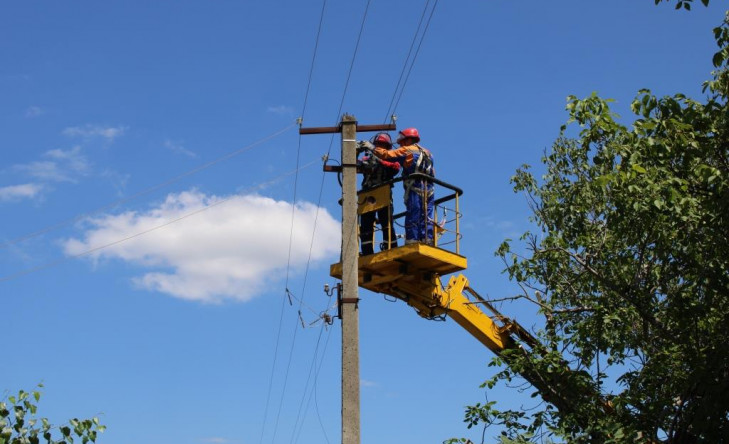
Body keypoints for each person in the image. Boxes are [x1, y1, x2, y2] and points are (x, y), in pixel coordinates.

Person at [373, 127, 435, 244]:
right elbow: (433, 171)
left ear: (407, 140)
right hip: (430, 189)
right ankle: (428, 239)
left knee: (414, 212)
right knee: (427, 214)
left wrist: (371, 148)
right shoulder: (428, 153)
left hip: (415, 187)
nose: (400, 145)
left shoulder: (407, 150)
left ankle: (412, 240)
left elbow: (386, 155)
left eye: (401, 142)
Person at [357, 132, 400, 255]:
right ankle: (366, 252)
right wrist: (356, 150)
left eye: (382, 145)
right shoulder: (367, 159)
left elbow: (395, 168)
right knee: (365, 226)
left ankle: (391, 249)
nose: (379, 147)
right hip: (367, 195)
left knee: (386, 223)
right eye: (377, 145)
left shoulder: (392, 159)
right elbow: (356, 164)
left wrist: (377, 156)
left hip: (383, 195)